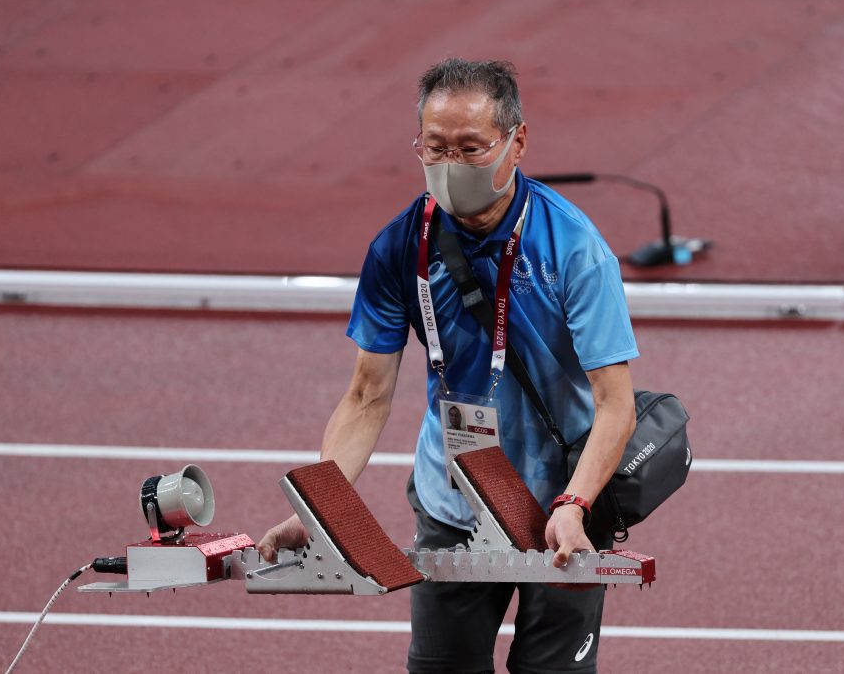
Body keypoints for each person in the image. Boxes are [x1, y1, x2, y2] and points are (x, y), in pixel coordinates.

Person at [259, 58, 638, 674]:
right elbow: (365, 397)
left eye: (470, 148)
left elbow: (614, 402)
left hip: (559, 509)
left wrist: (575, 505)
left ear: (518, 142)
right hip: (452, 504)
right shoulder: (397, 249)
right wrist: (321, 504)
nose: (451, 166)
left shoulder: (573, 248)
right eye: (435, 148)